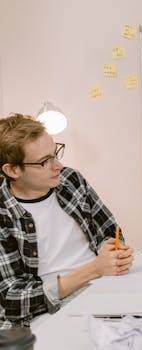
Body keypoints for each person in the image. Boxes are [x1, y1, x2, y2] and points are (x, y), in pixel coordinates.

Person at [0, 113, 134, 329]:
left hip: (102, 288)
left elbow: (108, 230)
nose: (59, 165)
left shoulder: (71, 180)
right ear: (13, 170)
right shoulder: (3, 213)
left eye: (56, 153)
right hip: (43, 313)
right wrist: (95, 269)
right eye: (45, 161)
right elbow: (12, 300)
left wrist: (112, 252)